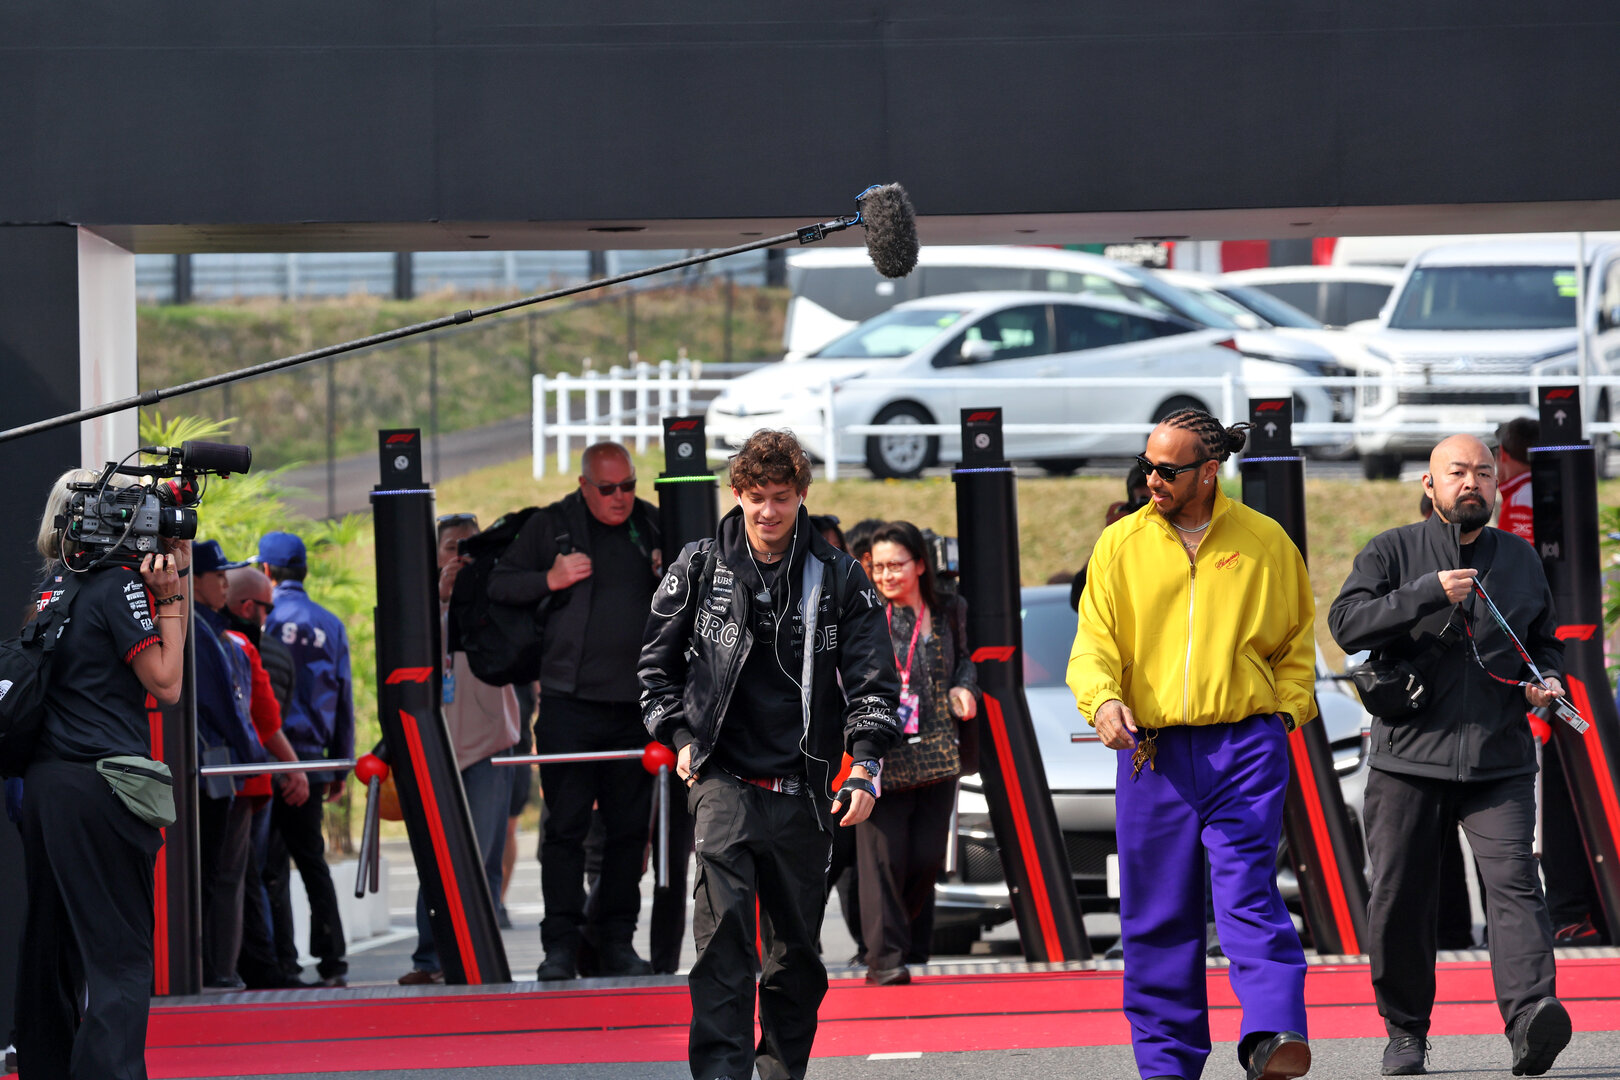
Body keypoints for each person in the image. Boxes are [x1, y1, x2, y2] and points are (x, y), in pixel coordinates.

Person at [640, 429, 901, 1080]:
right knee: (723, 948)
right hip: (722, 781)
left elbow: (874, 682)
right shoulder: (698, 566)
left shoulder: (840, 575)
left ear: (802, 495)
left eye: (781, 497)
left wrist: (866, 764)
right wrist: (680, 738)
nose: (768, 511)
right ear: (737, 494)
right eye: (756, 497)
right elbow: (653, 671)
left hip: (805, 792)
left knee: (797, 962)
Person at [1068, 408, 1316, 1080]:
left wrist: (1284, 716)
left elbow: (1297, 646)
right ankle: (1167, 1067)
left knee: (1248, 894)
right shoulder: (1119, 545)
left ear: (1209, 472)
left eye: (1167, 470)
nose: (1152, 479)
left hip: (1246, 747)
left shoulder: (1266, 542)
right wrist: (1103, 700)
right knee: (1156, 914)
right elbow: (1092, 646)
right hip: (1152, 754)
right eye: (1146, 465)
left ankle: (1272, 1035)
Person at [1329, 433, 1573, 1077]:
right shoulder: (1391, 550)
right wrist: (1427, 592)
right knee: (1400, 897)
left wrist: (1547, 679)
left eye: (1484, 473)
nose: (1472, 483)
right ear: (1429, 484)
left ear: (1495, 485)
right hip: (1407, 761)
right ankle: (1405, 1032)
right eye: (1458, 472)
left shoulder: (1519, 558)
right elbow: (1346, 624)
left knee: (1516, 886)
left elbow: (1544, 643)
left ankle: (1531, 1018)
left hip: (1501, 760)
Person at [14, 470, 189, 1079]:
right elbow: (166, 683)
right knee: (119, 955)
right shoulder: (120, 587)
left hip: (44, 787)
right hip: (102, 787)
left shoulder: (55, 585)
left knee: (51, 947)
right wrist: (172, 597)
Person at [489, 441, 662, 979]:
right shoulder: (551, 525)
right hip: (569, 706)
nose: (619, 497)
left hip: (635, 708)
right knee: (565, 831)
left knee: (628, 833)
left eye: (628, 486)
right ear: (585, 486)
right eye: (607, 488)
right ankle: (560, 946)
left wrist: (668, 575)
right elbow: (499, 582)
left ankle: (616, 942)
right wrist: (549, 578)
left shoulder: (650, 525)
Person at [400, 514, 522, 985]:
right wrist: (442, 601)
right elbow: (414, 661)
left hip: (490, 744)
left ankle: (480, 958)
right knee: (434, 853)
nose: (462, 554)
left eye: (471, 545)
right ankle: (428, 959)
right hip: (435, 743)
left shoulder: (501, 594)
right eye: (452, 546)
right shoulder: (418, 607)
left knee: (483, 857)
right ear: (435, 555)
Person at [858, 520, 978, 984]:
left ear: (920, 565)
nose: (886, 575)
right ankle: (884, 960)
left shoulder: (949, 609)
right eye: (878, 567)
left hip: (938, 752)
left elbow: (967, 659)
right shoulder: (864, 612)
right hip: (882, 752)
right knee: (883, 861)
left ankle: (902, 939)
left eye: (895, 565)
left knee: (927, 858)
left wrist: (964, 689)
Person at [258, 530, 354, 988]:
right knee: (312, 860)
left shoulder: (263, 619)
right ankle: (333, 960)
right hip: (315, 759)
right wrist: (341, 764)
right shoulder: (330, 624)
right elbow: (344, 699)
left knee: (271, 864)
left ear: (266, 571)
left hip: (269, 758)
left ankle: (284, 960)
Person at [221, 565, 311, 989]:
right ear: (246, 606)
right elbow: (268, 716)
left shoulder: (209, 639)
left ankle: (239, 967)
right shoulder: (244, 645)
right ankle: (260, 966)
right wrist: (294, 766)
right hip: (249, 780)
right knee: (248, 877)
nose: (268, 617)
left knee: (240, 877)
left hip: (228, 779)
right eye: (266, 608)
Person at [190, 539, 273, 990]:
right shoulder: (201, 632)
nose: (225, 584)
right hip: (212, 771)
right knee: (217, 876)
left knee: (219, 876)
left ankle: (214, 967)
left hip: (220, 769)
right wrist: (254, 757)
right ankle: (212, 969)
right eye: (217, 576)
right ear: (195, 580)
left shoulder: (215, 631)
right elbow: (227, 708)